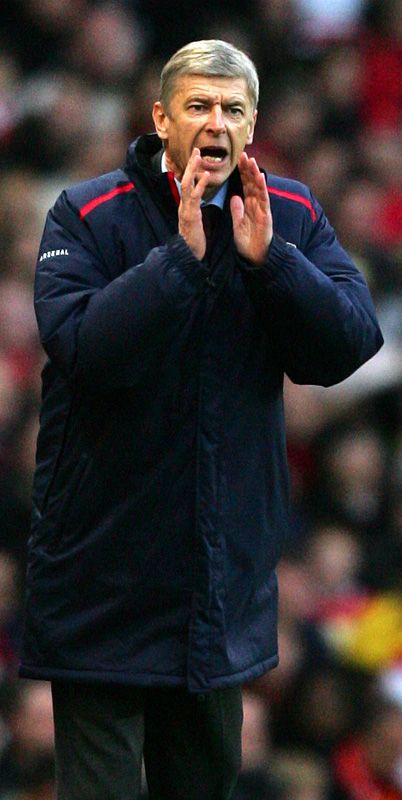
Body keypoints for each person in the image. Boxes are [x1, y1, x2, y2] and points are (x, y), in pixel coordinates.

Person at [19, 39, 383, 800]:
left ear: (252, 125)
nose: (216, 122)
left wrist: (273, 262)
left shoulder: (288, 213)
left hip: (220, 585)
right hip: (102, 578)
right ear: (161, 118)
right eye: (198, 105)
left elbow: (350, 342)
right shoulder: (86, 213)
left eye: (233, 109)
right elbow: (82, 348)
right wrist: (177, 264)